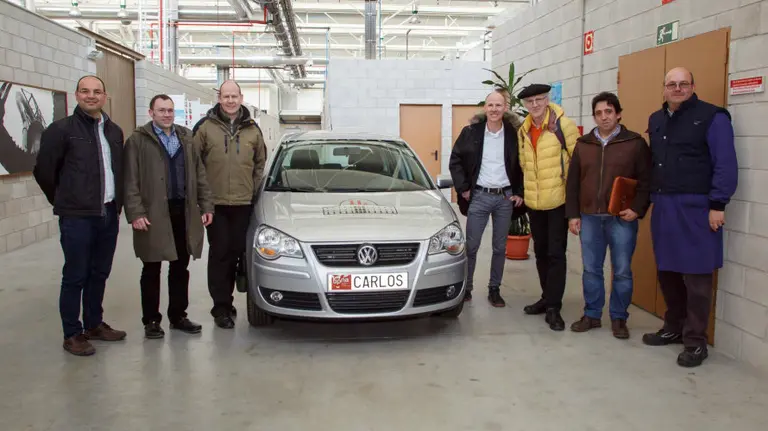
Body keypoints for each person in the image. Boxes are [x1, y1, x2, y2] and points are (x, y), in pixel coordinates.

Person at [642, 67, 738, 367]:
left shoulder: (713, 117)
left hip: (697, 207)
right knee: (667, 271)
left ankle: (696, 341)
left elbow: (725, 163)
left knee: (697, 277)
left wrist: (718, 204)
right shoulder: (656, 119)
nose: (677, 88)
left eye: (683, 83)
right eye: (671, 84)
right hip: (664, 205)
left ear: (693, 86)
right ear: (664, 87)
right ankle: (674, 327)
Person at [33, 75, 126, 356]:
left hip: (108, 213)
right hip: (77, 217)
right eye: (85, 91)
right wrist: (64, 200)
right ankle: (72, 333)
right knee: (76, 275)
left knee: (99, 272)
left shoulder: (114, 131)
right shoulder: (61, 130)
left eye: (97, 91)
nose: (91, 96)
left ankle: (94, 324)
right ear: (76, 95)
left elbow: (118, 170)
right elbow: (44, 171)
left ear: (105, 96)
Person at [123, 94, 215, 339]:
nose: (166, 115)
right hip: (152, 213)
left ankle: (178, 316)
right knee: (151, 267)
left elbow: (200, 175)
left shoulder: (186, 137)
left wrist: (206, 205)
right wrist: (136, 212)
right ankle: (152, 320)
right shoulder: (137, 140)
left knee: (180, 267)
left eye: (170, 110)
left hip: (183, 212)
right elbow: (130, 180)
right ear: (151, 112)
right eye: (161, 110)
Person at [565, 92, 651, 339]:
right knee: (591, 269)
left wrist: (637, 209)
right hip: (589, 217)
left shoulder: (635, 143)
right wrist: (573, 215)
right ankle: (592, 314)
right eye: (599, 113)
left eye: (609, 112)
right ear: (594, 117)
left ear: (618, 114)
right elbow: (573, 183)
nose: (604, 117)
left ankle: (619, 317)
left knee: (622, 270)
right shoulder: (584, 145)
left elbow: (647, 180)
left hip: (621, 217)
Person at [193, 80, 268, 329]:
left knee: (237, 252)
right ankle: (221, 307)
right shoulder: (205, 128)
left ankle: (229, 301)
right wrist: (203, 202)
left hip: (243, 203)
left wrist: (252, 191)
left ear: (241, 98)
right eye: (226, 96)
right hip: (215, 204)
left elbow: (260, 164)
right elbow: (195, 165)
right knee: (220, 253)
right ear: (219, 98)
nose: (230, 100)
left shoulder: (253, 130)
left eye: (234, 96)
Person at [449, 91, 524, 307]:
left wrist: (519, 192)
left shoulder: (514, 134)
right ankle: (467, 288)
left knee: (499, 248)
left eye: (498, 105)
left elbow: (524, 165)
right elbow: (456, 160)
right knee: (471, 246)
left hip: (505, 198)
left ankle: (494, 289)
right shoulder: (471, 132)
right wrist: (463, 188)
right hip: (479, 196)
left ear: (505, 108)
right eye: (490, 105)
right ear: (485, 107)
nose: (494, 109)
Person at [516, 83, 580, 331]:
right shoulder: (523, 130)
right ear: (525, 105)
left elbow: (578, 164)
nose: (535, 105)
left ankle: (554, 307)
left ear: (547, 100)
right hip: (535, 203)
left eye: (539, 99)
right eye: (530, 101)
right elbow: (524, 165)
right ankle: (547, 297)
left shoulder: (564, 126)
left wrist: (574, 204)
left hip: (557, 202)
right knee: (541, 253)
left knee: (555, 254)